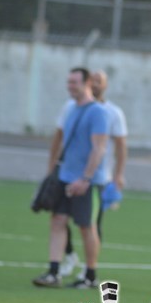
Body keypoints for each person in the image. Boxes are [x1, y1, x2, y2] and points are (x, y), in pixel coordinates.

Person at [32, 67, 109, 289]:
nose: (70, 86)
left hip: (87, 182)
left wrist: (85, 178)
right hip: (65, 177)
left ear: (87, 83)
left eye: (74, 82)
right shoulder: (71, 109)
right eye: (68, 82)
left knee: (86, 226)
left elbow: (99, 148)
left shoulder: (98, 112)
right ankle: (54, 272)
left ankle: (90, 275)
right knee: (57, 221)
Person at [58, 69, 128, 278]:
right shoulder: (71, 106)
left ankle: (89, 270)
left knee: (91, 223)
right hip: (67, 173)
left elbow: (120, 146)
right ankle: (69, 255)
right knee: (59, 218)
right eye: (93, 80)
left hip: (97, 178)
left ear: (105, 85)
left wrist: (118, 175)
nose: (96, 84)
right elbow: (58, 136)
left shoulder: (112, 112)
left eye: (100, 81)